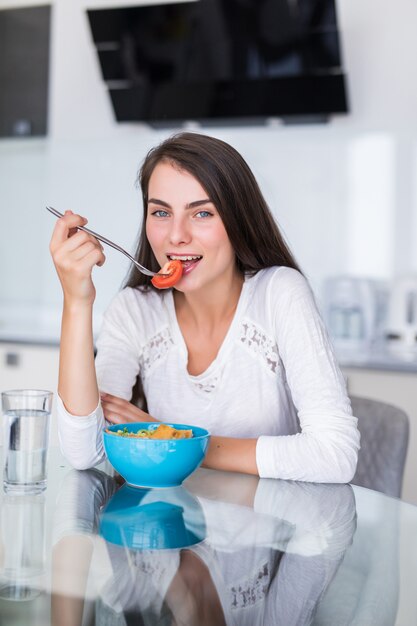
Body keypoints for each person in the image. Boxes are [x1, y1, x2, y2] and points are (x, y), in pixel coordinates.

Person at [49, 131, 360, 481]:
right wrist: (76, 302)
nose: (176, 235)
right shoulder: (134, 310)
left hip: (274, 530)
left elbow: (335, 455)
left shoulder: (280, 293)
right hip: (176, 527)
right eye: (161, 212)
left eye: (202, 214)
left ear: (237, 220)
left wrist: (173, 437)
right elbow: (84, 452)